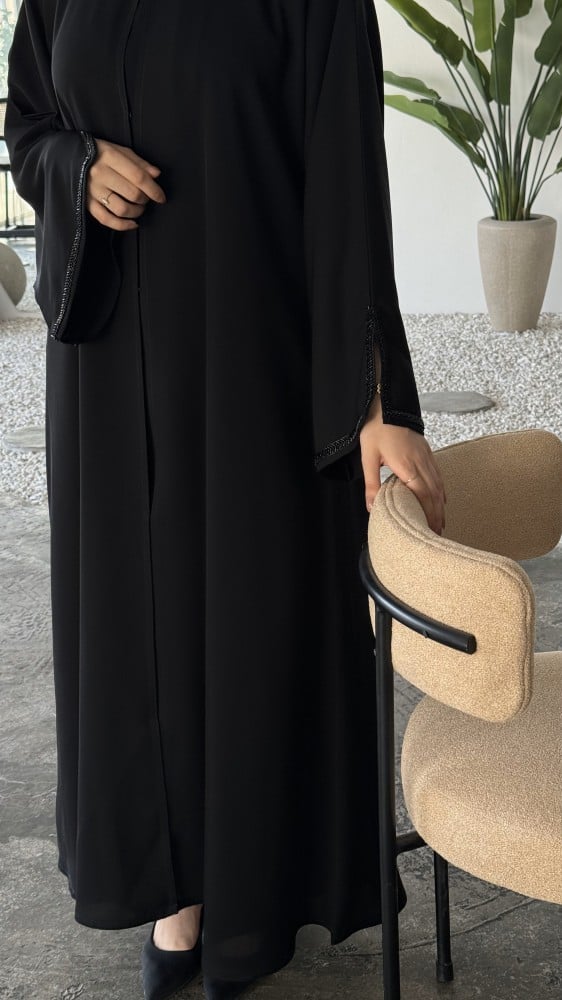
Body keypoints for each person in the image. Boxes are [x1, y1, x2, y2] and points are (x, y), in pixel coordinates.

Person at [5, 0, 446, 997]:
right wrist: (78, 167)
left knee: (246, 626)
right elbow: (27, 123)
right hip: (107, 384)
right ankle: (174, 904)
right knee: (132, 638)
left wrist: (374, 401)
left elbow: (347, 187)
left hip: (250, 364)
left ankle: (247, 903)